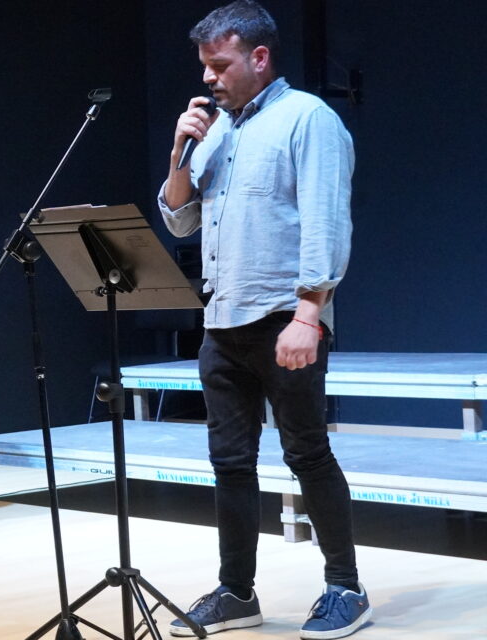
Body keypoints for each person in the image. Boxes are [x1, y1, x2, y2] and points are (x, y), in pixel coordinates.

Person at [158, 2, 370, 639]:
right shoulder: (215, 130)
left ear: (258, 57)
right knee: (229, 463)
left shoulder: (308, 118)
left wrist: (311, 314)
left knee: (307, 451)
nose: (209, 79)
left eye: (220, 66)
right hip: (221, 322)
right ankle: (237, 592)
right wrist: (178, 152)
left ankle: (344, 587)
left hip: (284, 318)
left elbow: (327, 221)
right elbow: (178, 217)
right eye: (205, 67)